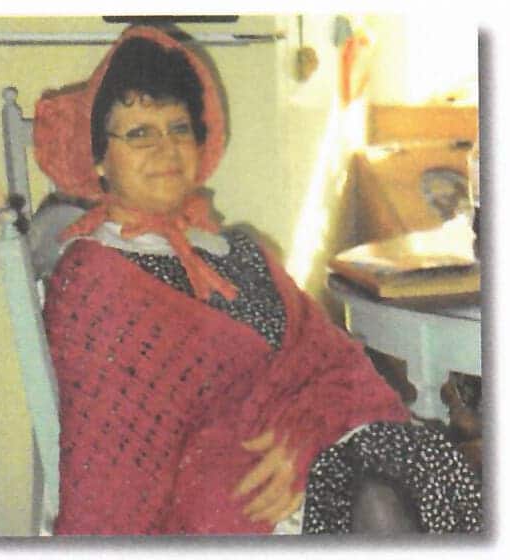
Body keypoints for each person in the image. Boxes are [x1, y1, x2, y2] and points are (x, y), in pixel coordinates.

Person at [31, 25, 482, 535]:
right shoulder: (94, 272)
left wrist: (306, 428)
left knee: (416, 467)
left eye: (179, 128)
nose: (165, 148)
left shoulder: (237, 248)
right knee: (378, 505)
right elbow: (113, 447)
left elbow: (332, 360)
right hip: (227, 484)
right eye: (139, 133)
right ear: (99, 158)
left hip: (312, 439)